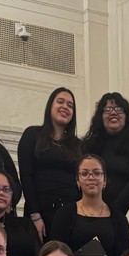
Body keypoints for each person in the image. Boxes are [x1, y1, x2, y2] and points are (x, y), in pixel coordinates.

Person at [50, 154, 129, 256]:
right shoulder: (64, 214)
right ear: (77, 180)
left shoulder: (119, 218)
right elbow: (57, 254)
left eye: (96, 173)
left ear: (105, 180)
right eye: (85, 173)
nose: (91, 177)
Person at [16, 87, 80, 241]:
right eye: (60, 102)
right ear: (50, 106)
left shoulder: (78, 145)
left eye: (70, 105)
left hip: (70, 213)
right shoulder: (32, 135)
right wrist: (35, 215)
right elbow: (26, 175)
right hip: (40, 212)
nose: (65, 107)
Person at [82, 92, 129, 213]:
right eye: (107, 109)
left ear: (126, 116)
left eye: (119, 109)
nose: (113, 113)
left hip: (128, 212)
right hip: (92, 211)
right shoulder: (88, 145)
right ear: (100, 116)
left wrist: (112, 209)